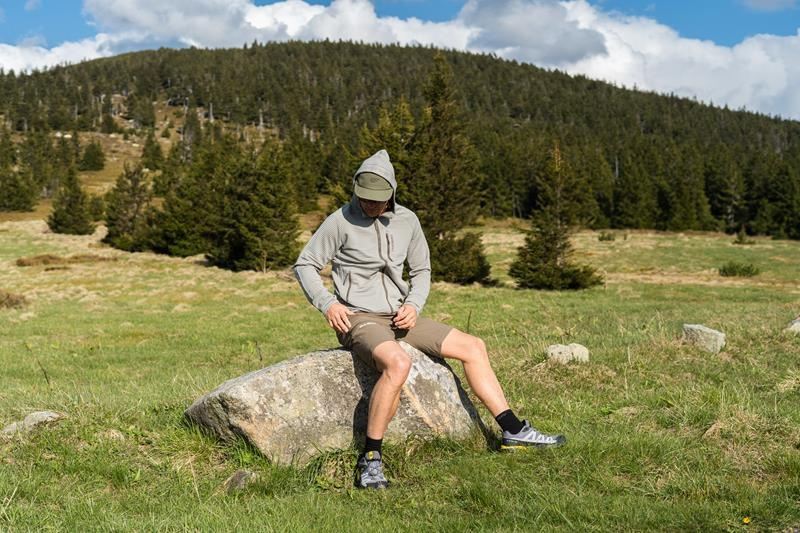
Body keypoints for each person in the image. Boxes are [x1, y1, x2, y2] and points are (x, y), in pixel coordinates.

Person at [294, 149, 565, 489]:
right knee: (398, 363)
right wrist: (328, 304)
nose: (370, 205)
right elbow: (305, 264)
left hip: (400, 315)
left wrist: (413, 305)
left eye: (378, 199)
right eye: (365, 198)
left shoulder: (407, 220)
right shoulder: (339, 221)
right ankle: (371, 460)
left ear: (392, 193)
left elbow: (421, 270)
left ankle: (513, 430)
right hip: (359, 317)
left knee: (474, 346)